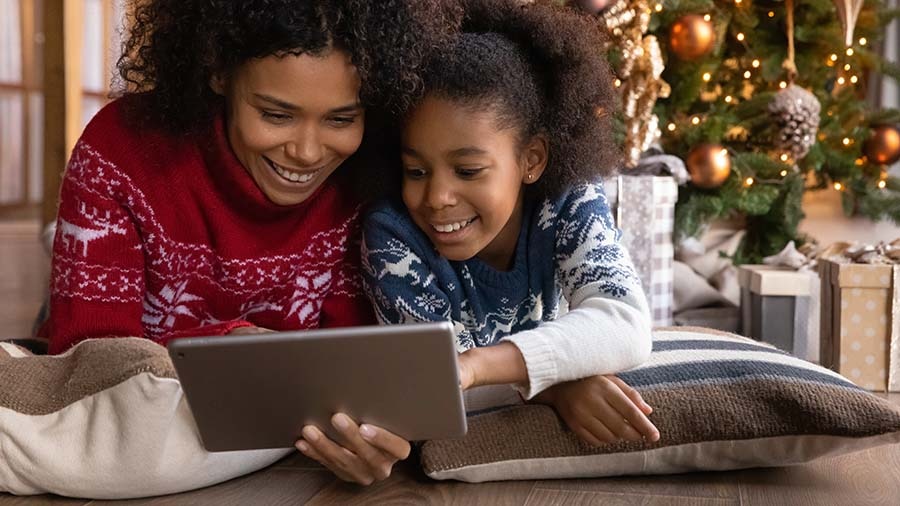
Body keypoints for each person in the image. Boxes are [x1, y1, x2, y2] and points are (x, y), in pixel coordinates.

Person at [40, 0, 459, 485]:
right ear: (219, 70)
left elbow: (354, 373)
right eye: (276, 115)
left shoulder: (368, 176)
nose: (307, 152)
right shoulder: (121, 151)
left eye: (342, 120)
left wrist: (368, 437)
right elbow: (88, 362)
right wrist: (231, 344)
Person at [361, 0, 660, 446]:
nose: (437, 198)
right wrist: (556, 386)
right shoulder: (393, 238)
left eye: (467, 171)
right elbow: (433, 387)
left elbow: (625, 323)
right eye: (417, 171)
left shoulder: (568, 199)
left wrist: (480, 367)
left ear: (531, 160)